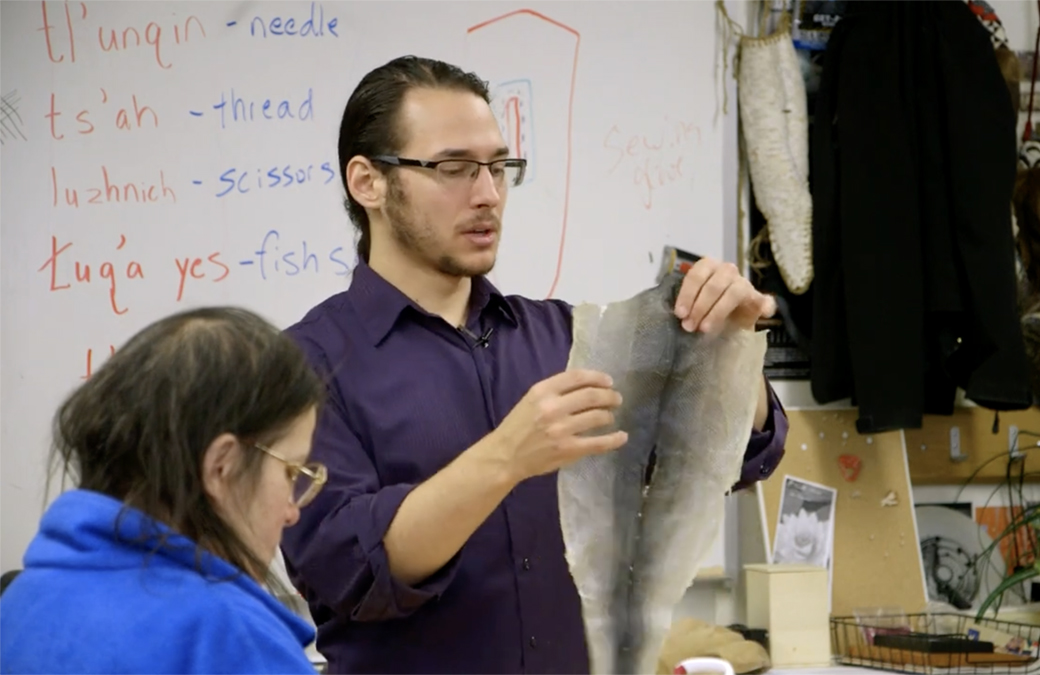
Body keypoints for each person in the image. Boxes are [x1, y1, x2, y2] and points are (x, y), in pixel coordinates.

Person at [280, 55, 790, 675]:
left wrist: (729, 349)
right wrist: (505, 458)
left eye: (499, 167)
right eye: (454, 168)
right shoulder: (305, 365)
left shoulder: (563, 337)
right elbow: (347, 569)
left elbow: (729, 457)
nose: (488, 194)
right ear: (369, 183)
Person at [0, 307, 328, 674]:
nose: (291, 511)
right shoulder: (228, 637)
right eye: (290, 472)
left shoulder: (19, 602)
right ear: (222, 466)